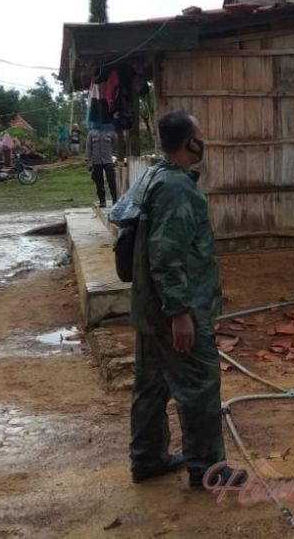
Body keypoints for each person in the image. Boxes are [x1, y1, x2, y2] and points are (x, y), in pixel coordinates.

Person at [128, 110, 247, 489]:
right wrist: (180, 312)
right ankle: (208, 469)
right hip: (176, 310)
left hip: (150, 308)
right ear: (188, 142)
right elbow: (166, 254)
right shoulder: (177, 188)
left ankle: (147, 458)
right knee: (199, 386)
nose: (203, 141)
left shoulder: (154, 176)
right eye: (200, 135)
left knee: (151, 387)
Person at [85, 126, 118, 207]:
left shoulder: (111, 132)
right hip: (96, 160)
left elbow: (116, 144)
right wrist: (88, 161)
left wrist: (114, 155)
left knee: (111, 180)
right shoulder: (91, 133)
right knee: (99, 182)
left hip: (108, 160)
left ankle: (115, 200)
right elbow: (89, 147)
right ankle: (102, 201)